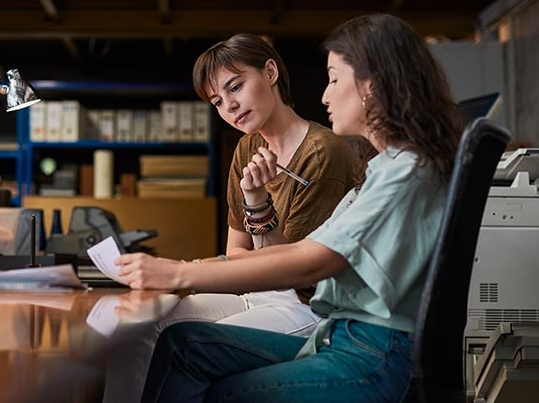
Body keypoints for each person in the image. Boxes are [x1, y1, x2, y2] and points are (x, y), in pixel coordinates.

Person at [117, 13, 464, 403]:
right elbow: (287, 255)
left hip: (370, 351)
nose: (325, 95)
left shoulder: (404, 171)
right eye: (218, 100)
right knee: (182, 343)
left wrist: (181, 274)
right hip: (346, 336)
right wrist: (191, 265)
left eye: (334, 79)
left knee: (211, 379)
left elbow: (309, 262)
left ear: (373, 84)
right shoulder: (384, 169)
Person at [102, 33, 356, 403]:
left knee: (182, 346)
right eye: (218, 101)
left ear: (270, 72)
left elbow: (301, 276)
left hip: (308, 308)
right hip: (255, 293)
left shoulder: (322, 154)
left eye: (236, 87)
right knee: (136, 327)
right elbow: (236, 252)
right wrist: (253, 220)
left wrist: (257, 205)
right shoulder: (248, 147)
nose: (230, 107)